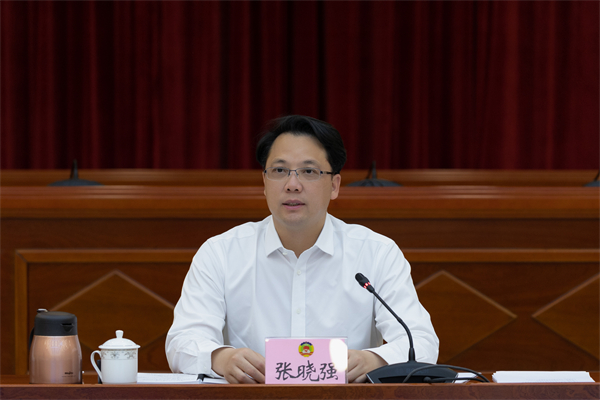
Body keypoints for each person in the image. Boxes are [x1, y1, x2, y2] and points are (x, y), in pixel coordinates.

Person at [165, 115, 439, 383]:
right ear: (264, 183)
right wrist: (221, 358)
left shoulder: (377, 253)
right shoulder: (221, 253)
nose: (292, 185)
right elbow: (182, 342)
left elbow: (422, 342)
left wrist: (373, 360)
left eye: (309, 172)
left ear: (334, 185)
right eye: (279, 171)